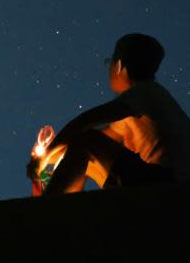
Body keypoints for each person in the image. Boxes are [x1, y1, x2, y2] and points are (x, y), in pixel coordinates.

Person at [27, 33, 190, 195]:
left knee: (86, 139)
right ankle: (57, 203)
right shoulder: (139, 108)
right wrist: (44, 164)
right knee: (84, 152)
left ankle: (48, 207)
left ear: (119, 65)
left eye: (109, 63)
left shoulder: (147, 91)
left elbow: (85, 122)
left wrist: (44, 158)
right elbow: (81, 147)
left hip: (167, 183)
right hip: (157, 180)